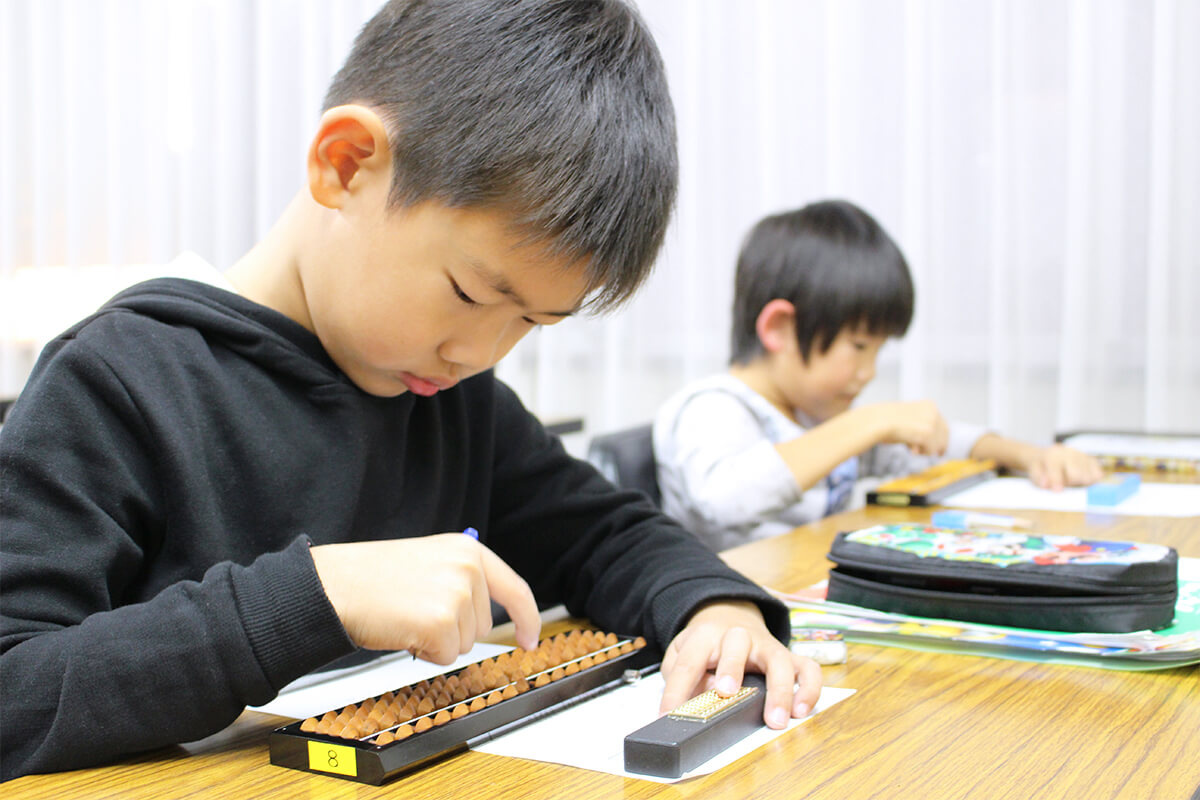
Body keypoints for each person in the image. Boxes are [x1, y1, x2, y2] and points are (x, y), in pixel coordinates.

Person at [0, 0, 821, 780]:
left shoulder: (449, 395)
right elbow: (14, 691)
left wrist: (716, 609)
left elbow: (603, 532)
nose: (480, 350)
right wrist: (314, 597)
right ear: (346, 164)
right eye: (469, 293)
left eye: (532, 321)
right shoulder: (117, 382)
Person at [654, 200, 1104, 552]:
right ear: (780, 329)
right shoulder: (713, 407)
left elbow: (938, 448)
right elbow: (722, 499)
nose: (868, 372)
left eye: (879, 350)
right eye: (860, 347)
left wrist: (1027, 455)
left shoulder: (815, 417)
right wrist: (866, 424)